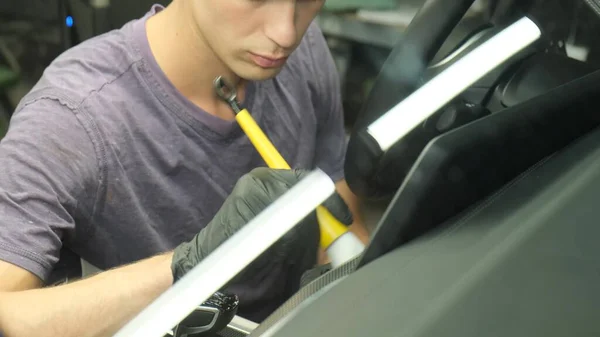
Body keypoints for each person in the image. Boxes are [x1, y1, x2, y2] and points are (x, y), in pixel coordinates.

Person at [0, 0, 370, 336]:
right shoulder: (72, 118)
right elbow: (9, 317)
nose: (286, 32)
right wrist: (191, 265)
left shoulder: (303, 54)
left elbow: (343, 220)